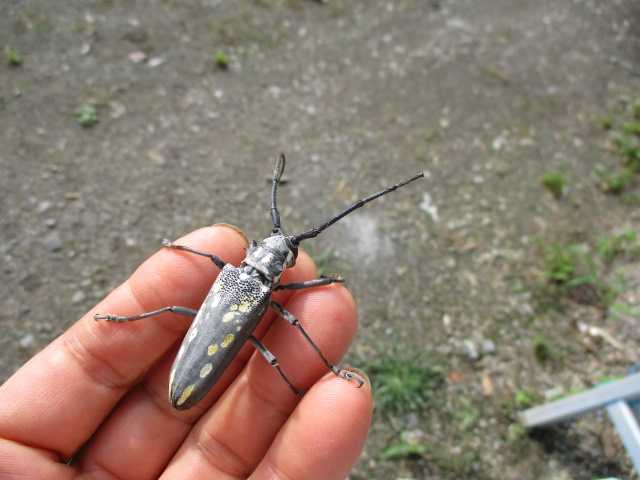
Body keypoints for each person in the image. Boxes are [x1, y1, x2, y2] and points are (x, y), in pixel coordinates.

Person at [0, 225, 373, 479]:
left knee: (179, 314)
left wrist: (181, 248)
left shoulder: (228, 273)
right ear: (279, 265)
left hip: (195, 376)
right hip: (192, 379)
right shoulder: (257, 291)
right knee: (286, 334)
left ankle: (300, 383)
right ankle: (303, 384)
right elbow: (297, 320)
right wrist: (325, 284)